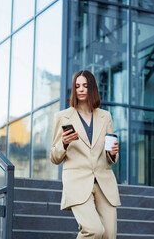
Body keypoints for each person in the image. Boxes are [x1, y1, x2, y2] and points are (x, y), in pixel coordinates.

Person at [50, 70, 121, 239]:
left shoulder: (105, 116)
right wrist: (64, 143)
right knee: (94, 231)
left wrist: (112, 153)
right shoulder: (62, 117)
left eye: (85, 86)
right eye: (77, 86)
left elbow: (111, 156)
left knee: (109, 235)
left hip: (104, 181)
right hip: (77, 182)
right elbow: (54, 157)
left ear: (92, 89)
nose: (81, 89)